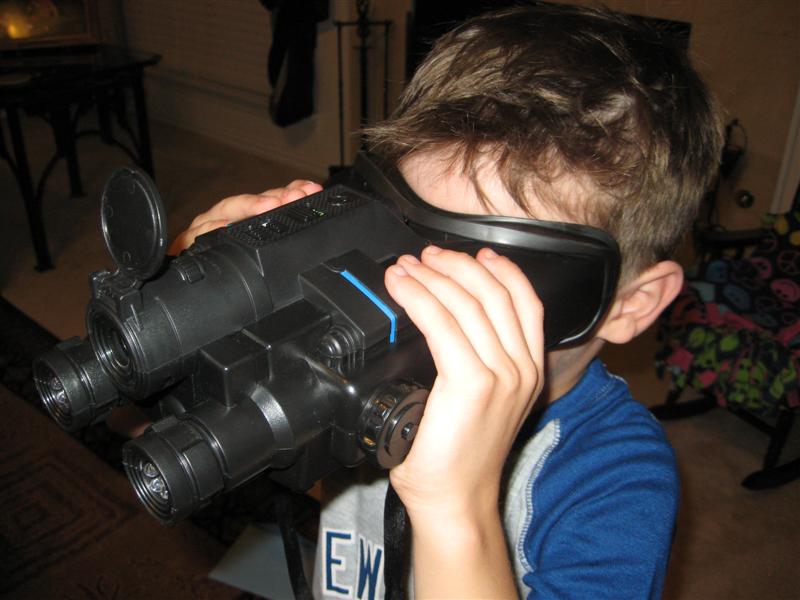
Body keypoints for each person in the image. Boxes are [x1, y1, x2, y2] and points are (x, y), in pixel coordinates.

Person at [169, 4, 724, 598]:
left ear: (630, 305)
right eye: (399, 232)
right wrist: (206, 286)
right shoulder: (372, 339)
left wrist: (455, 506)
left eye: (482, 276)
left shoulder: (617, 482)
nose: (412, 291)